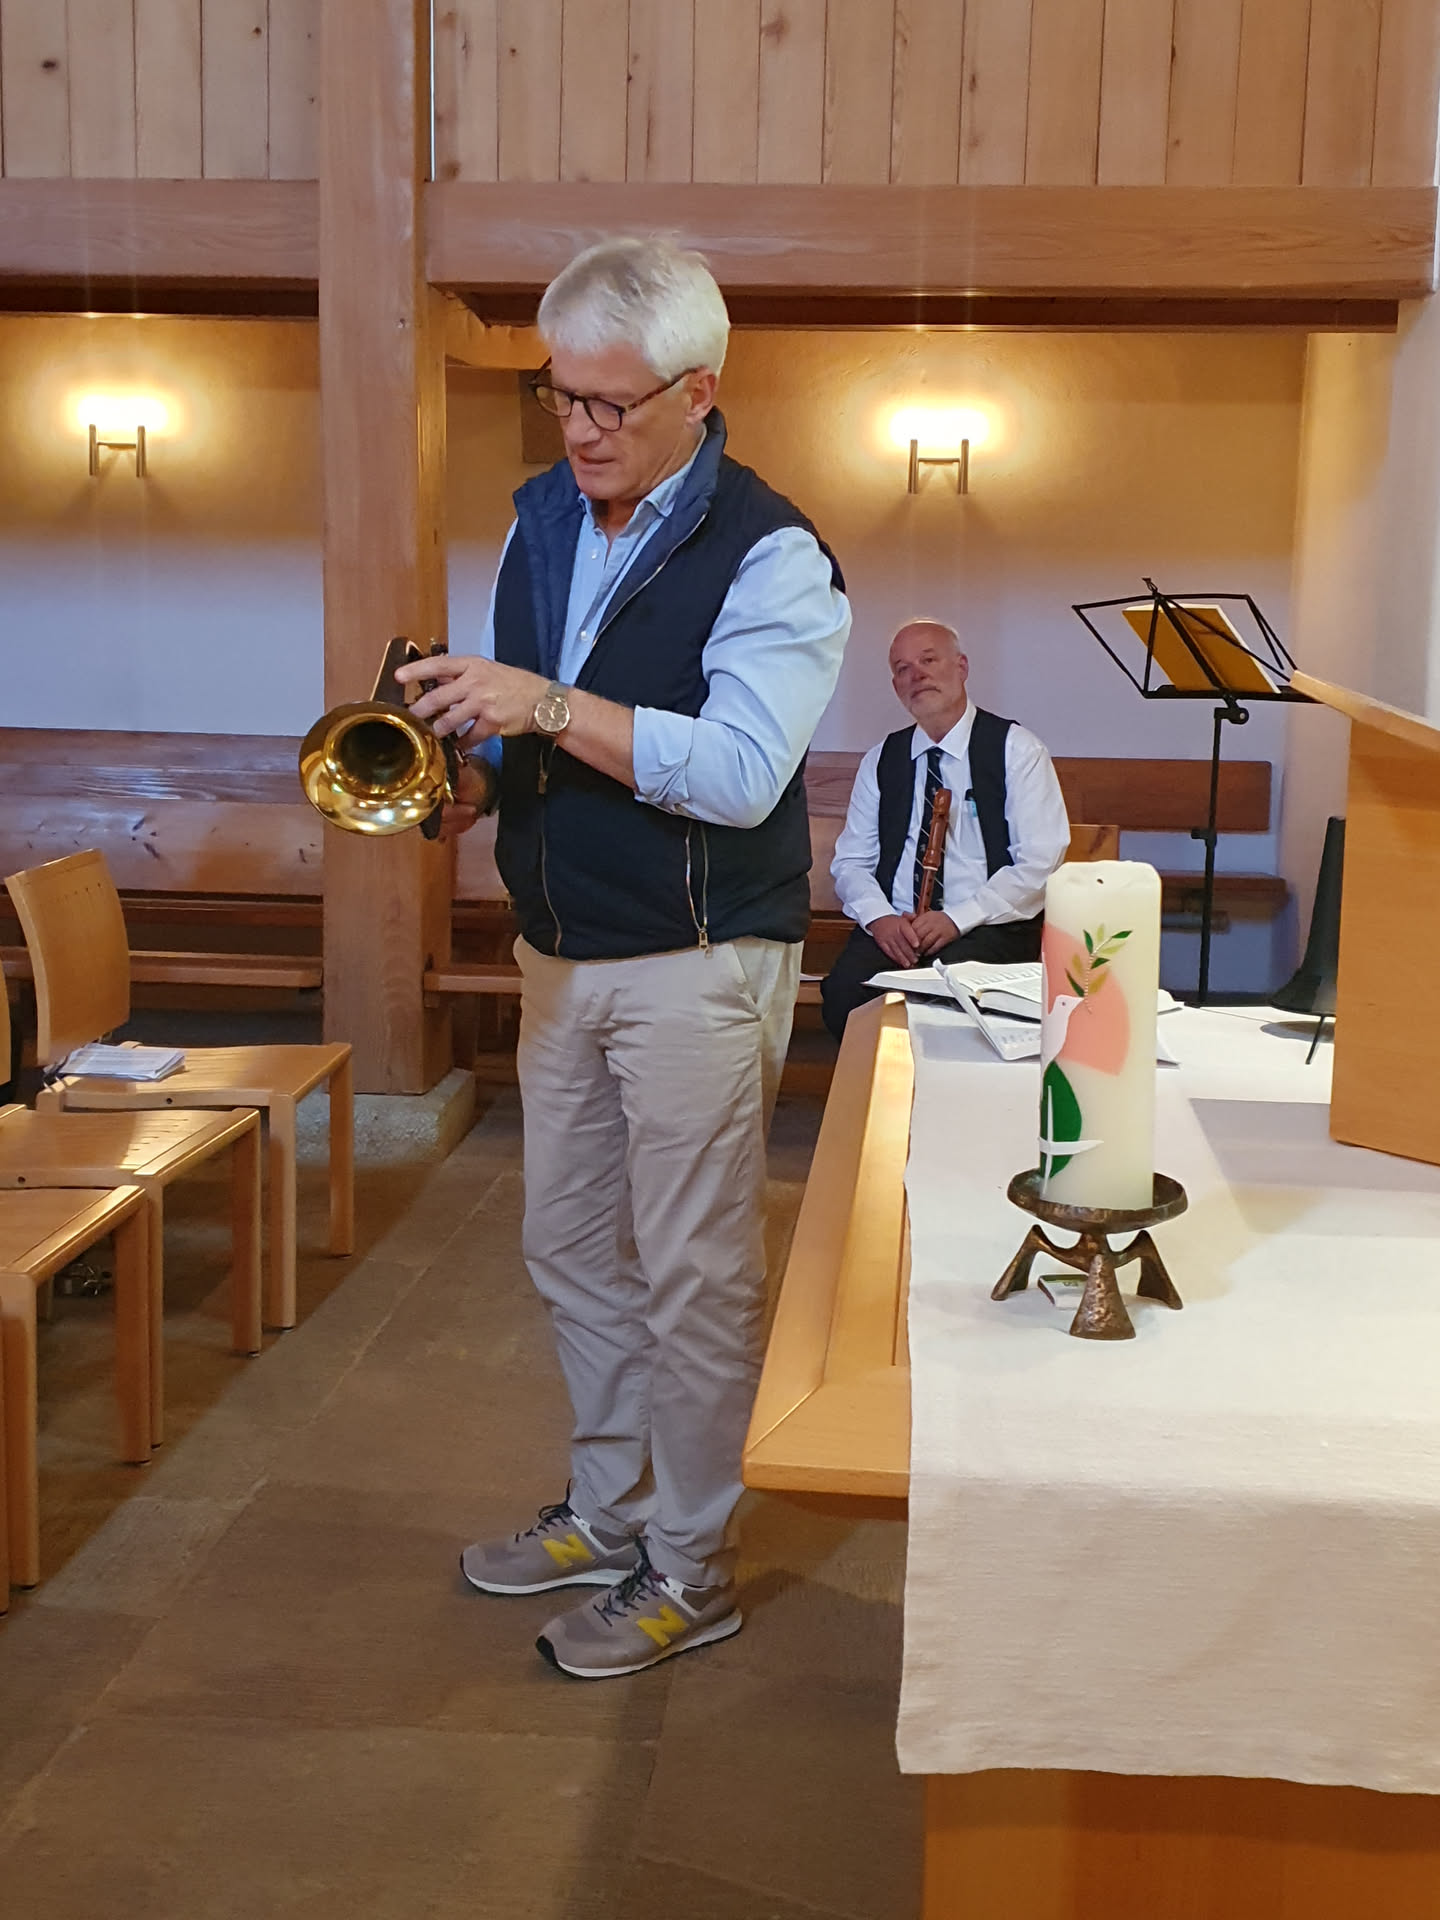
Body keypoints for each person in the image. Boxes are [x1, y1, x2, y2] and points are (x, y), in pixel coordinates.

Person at [396, 237, 850, 1680]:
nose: (580, 430)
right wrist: (470, 780)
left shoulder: (774, 554)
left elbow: (739, 774)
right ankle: (610, 1513)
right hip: (563, 946)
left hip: (696, 959)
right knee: (571, 1247)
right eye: (561, 395)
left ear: (698, 391)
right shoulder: (541, 518)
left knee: (695, 1274)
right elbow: (541, 737)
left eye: (611, 403)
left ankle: (692, 1567)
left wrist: (539, 703)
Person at [821, 618, 1069, 1039]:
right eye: (902, 669)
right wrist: (880, 918)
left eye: (928, 660)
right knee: (846, 998)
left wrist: (956, 918)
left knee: (956, 1014)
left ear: (961, 667)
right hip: (896, 930)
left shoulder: (1016, 750)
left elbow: (1039, 862)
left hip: (986, 927)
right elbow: (851, 862)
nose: (916, 675)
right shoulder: (882, 759)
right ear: (896, 686)